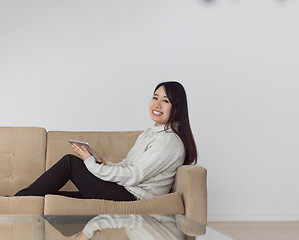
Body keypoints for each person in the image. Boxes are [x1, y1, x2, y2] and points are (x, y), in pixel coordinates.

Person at [15, 81, 197, 202]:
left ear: (177, 107)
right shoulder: (151, 133)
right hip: (123, 190)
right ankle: (18, 201)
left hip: (131, 197)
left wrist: (91, 165)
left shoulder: (169, 141)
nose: (157, 104)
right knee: (57, 197)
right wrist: (104, 163)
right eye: (155, 97)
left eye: (165, 101)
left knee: (69, 163)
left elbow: (135, 175)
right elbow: (127, 165)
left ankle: (15, 202)